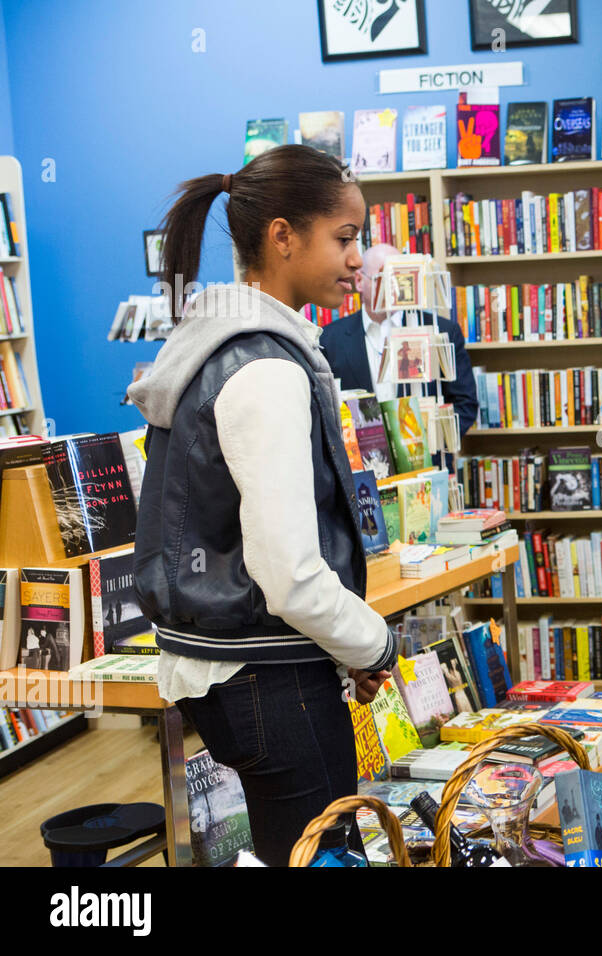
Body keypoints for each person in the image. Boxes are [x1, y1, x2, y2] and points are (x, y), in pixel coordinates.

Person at [129, 144, 399, 866]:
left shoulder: (211, 348)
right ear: (283, 236)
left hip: (230, 672)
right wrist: (375, 643)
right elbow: (288, 573)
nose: (357, 258)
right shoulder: (267, 369)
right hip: (271, 683)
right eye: (344, 238)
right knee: (320, 855)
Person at [320, 242, 478, 467]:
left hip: (426, 465)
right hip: (362, 470)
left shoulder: (441, 332)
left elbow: (465, 404)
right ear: (359, 282)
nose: (393, 287)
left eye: (401, 277)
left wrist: (429, 442)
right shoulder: (329, 339)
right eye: (383, 279)